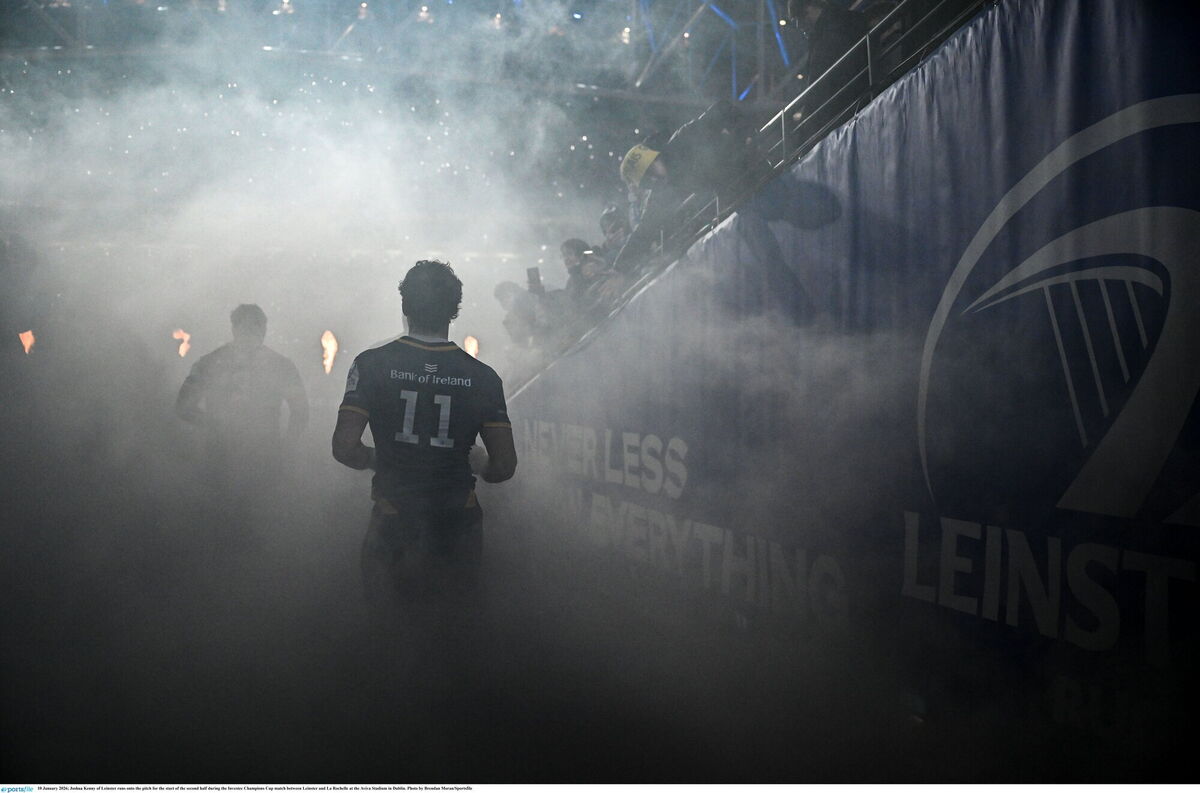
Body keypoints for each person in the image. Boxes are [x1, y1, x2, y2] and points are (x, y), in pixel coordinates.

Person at [332, 260, 517, 611]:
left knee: (387, 631)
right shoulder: (483, 376)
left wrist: (377, 459)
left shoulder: (371, 364)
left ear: (404, 307)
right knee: (452, 629)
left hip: (393, 515)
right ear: (454, 310)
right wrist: (479, 462)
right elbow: (504, 466)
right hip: (457, 521)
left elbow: (344, 448)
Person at [176, 303, 309, 501]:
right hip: (234, 458)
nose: (249, 333)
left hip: (250, 459)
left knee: (234, 517)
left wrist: (215, 425)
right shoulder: (281, 365)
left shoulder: (211, 362)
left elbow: (300, 412)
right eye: (246, 327)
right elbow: (300, 412)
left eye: (252, 327)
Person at [615, 99, 762, 272]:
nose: (654, 179)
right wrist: (619, 268)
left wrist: (745, 139)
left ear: (655, 157)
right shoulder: (665, 187)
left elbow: (724, 108)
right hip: (740, 198)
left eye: (651, 170)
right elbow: (647, 229)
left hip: (758, 176)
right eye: (648, 180)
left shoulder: (684, 138)